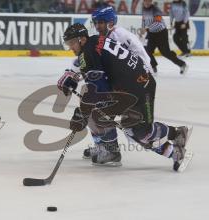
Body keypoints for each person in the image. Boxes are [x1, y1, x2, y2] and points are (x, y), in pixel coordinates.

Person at [59, 23, 192, 171]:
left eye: (71, 43)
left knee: (139, 132)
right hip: (135, 84)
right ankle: (108, 149)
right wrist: (72, 78)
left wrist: (83, 112)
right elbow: (94, 72)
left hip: (138, 90)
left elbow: (98, 88)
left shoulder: (87, 53)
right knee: (100, 112)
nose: (70, 47)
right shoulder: (95, 40)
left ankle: (176, 145)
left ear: (82, 39)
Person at [58, 7, 153, 164]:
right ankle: (104, 146)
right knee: (93, 107)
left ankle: (111, 150)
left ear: (111, 22)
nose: (97, 26)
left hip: (132, 84)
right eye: (95, 22)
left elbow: (141, 61)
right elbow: (87, 61)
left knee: (134, 129)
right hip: (115, 82)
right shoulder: (96, 40)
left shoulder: (121, 36)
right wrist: (72, 74)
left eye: (101, 22)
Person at [141, 0, 188, 74]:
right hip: (151, 33)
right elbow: (144, 20)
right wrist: (143, 27)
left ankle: (182, 64)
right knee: (147, 50)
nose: (147, 2)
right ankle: (153, 67)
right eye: (145, 1)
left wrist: (146, 28)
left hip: (161, 33)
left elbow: (158, 23)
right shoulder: (143, 8)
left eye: (149, 1)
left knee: (165, 53)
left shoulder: (156, 10)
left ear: (151, 2)